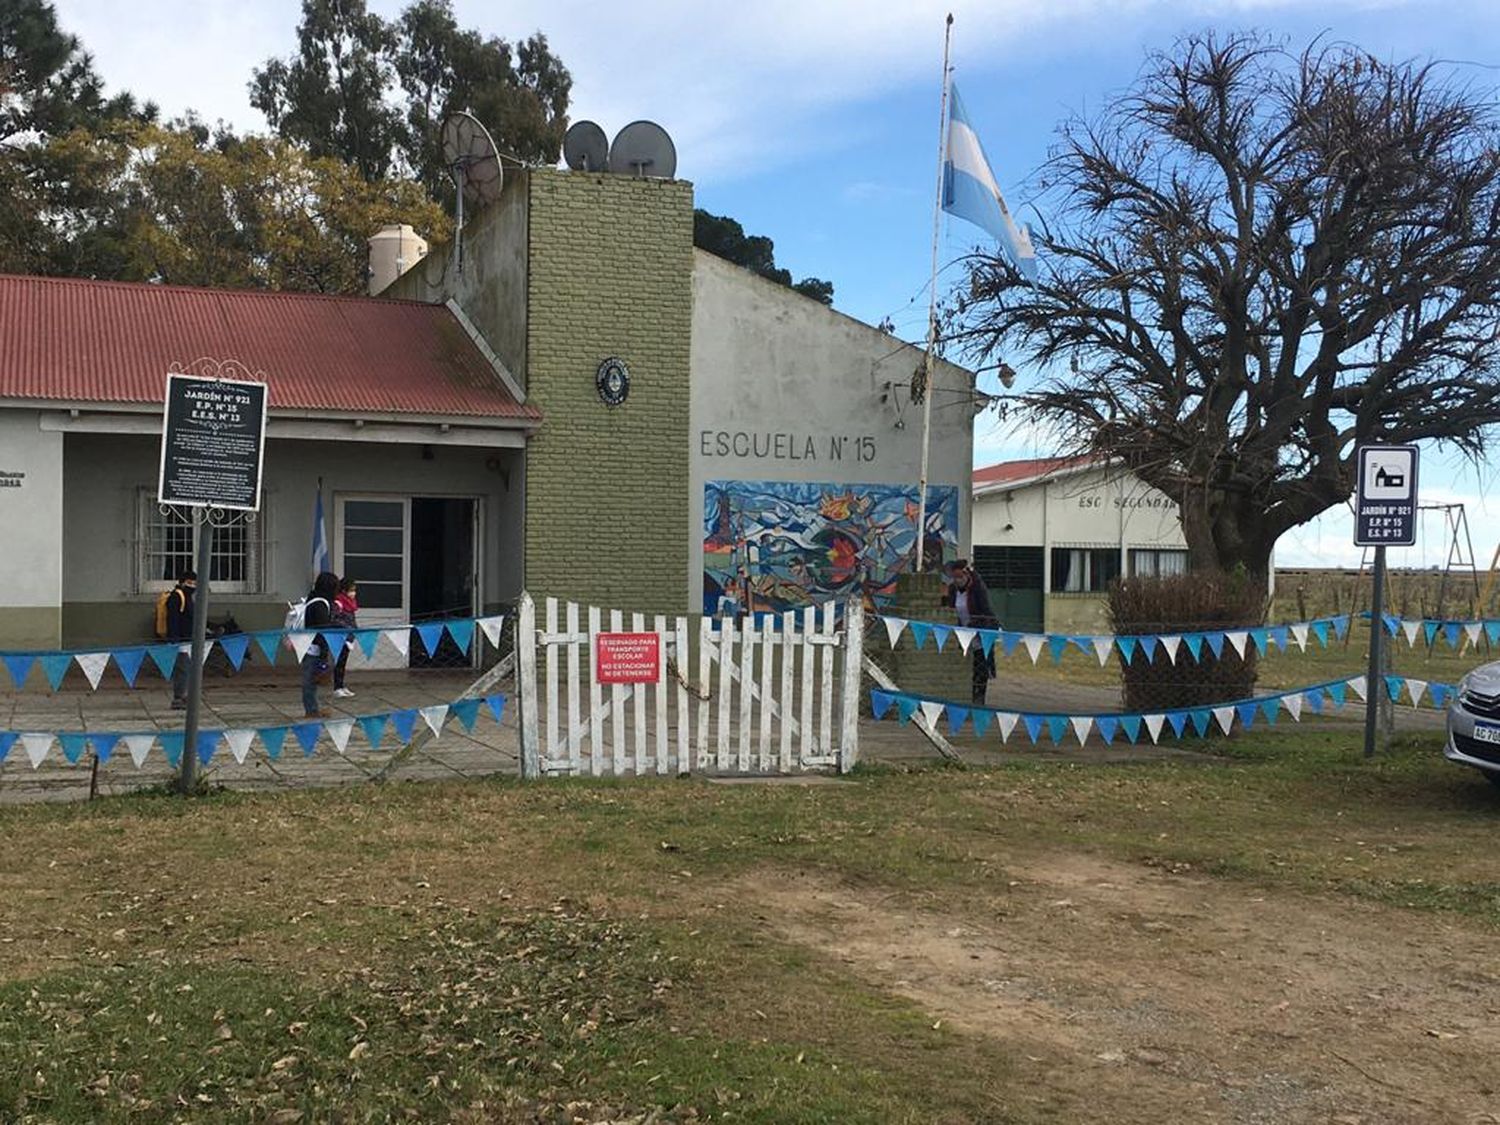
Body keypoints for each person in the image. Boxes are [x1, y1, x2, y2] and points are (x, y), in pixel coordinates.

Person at [942, 559, 999, 705]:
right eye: (954, 578)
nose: (957, 580)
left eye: (960, 577)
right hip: (962, 634)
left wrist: (975, 625)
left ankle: (979, 699)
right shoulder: (953, 590)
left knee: (980, 669)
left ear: (967, 574)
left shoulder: (978, 588)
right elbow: (951, 609)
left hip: (980, 633)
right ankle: (964, 697)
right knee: (964, 667)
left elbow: (985, 612)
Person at [300, 571, 338, 718]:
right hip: (313, 647)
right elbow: (322, 629)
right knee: (311, 679)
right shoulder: (320, 604)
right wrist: (324, 653)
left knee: (314, 679)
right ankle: (311, 710)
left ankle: (314, 708)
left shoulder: (314, 599)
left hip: (312, 645)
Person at [166, 569, 196, 710]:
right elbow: (172, 619)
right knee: (182, 669)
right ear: (182, 582)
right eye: (190, 583)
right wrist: (174, 639)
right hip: (180, 640)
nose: (193, 586)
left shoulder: (188, 596)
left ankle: (184, 695)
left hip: (189, 638)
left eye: (195, 583)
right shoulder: (177, 596)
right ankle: (178, 698)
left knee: (187, 669)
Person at [331, 576, 359, 698]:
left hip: (349, 637)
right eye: (351, 590)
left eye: (354, 590)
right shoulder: (338, 602)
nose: (353, 593)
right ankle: (337, 687)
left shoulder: (351, 603)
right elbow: (334, 619)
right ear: (344, 590)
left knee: (343, 662)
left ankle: (341, 685)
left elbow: (352, 619)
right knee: (339, 662)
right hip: (340, 636)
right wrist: (347, 628)